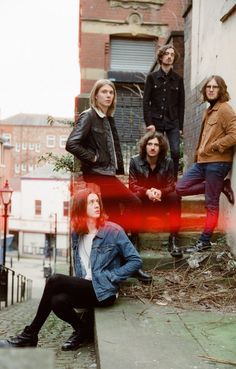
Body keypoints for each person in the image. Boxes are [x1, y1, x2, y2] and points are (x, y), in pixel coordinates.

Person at [0, 188, 142, 350]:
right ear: (81, 207)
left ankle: (29, 335)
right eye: (91, 202)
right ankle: (82, 330)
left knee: (55, 280)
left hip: (104, 290)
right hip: (86, 288)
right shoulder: (77, 233)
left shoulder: (113, 231)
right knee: (57, 301)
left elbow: (135, 261)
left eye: (97, 201)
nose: (97, 205)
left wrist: (112, 276)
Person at [66, 78, 151, 282]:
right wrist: (93, 158)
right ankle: (128, 260)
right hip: (97, 175)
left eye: (111, 93)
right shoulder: (89, 117)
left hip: (107, 174)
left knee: (112, 220)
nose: (108, 95)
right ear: (95, 95)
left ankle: (125, 262)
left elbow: (113, 147)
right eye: (104, 92)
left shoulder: (107, 118)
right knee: (134, 203)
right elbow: (72, 143)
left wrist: (117, 168)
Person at [176, 75, 236, 253]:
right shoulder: (208, 110)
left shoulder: (225, 110)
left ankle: (205, 241)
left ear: (221, 90)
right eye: (208, 87)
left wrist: (216, 146)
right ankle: (219, 186)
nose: (210, 89)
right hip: (202, 162)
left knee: (211, 204)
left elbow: (234, 135)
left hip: (217, 163)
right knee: (180, 188)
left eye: (215, 87)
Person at [129, 131, 183, 257]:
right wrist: (147, 192)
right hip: (143, 204)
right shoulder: (135, 161)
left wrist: (160, 191)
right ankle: (135, 240)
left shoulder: (168, 162)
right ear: (145, 146)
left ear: (161, 148)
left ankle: (174, 240)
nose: (152, 147)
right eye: (150, 144)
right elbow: (132, 185)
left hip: (161, 203)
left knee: (175, 195)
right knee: (133, 196)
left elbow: (171, 185)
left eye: (156, 145)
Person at [143, 44, 185, 180]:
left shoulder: (178, 80)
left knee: (175, 151)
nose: (169, 57)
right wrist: (149, 123)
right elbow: (145, 102)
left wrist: (180, 127)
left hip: (173, 122)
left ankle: (172, 182)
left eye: (172, 55)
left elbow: (181, 104)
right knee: (156, 150)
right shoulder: (152, 77)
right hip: (156, 121)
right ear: (161, 57)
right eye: (167, 54)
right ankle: (155, 179)